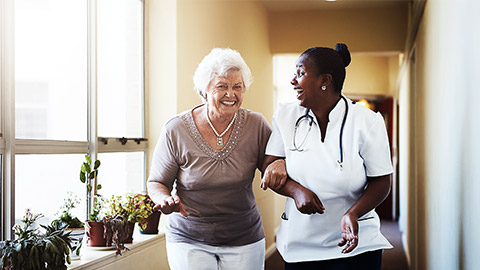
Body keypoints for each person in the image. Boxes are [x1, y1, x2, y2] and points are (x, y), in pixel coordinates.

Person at [261, 43, 393, 270]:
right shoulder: (286, 115)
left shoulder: (366, 121)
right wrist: (296, 190)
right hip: (301, 243)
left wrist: (353, 213)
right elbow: (269, 168)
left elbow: (381, 181)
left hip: (356, 239)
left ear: (325, 80)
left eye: (301, 73)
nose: (293, 80)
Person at [147, 48, 271, 270]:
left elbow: (273, 162)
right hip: (189, 236)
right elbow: (157, 182)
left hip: (244, 235)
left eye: (237, 87)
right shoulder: (176, 129)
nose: (231, 94)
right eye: (222, 86)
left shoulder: (256, 124)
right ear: (204, 91)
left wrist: (278, 163)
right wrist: (164, 200)